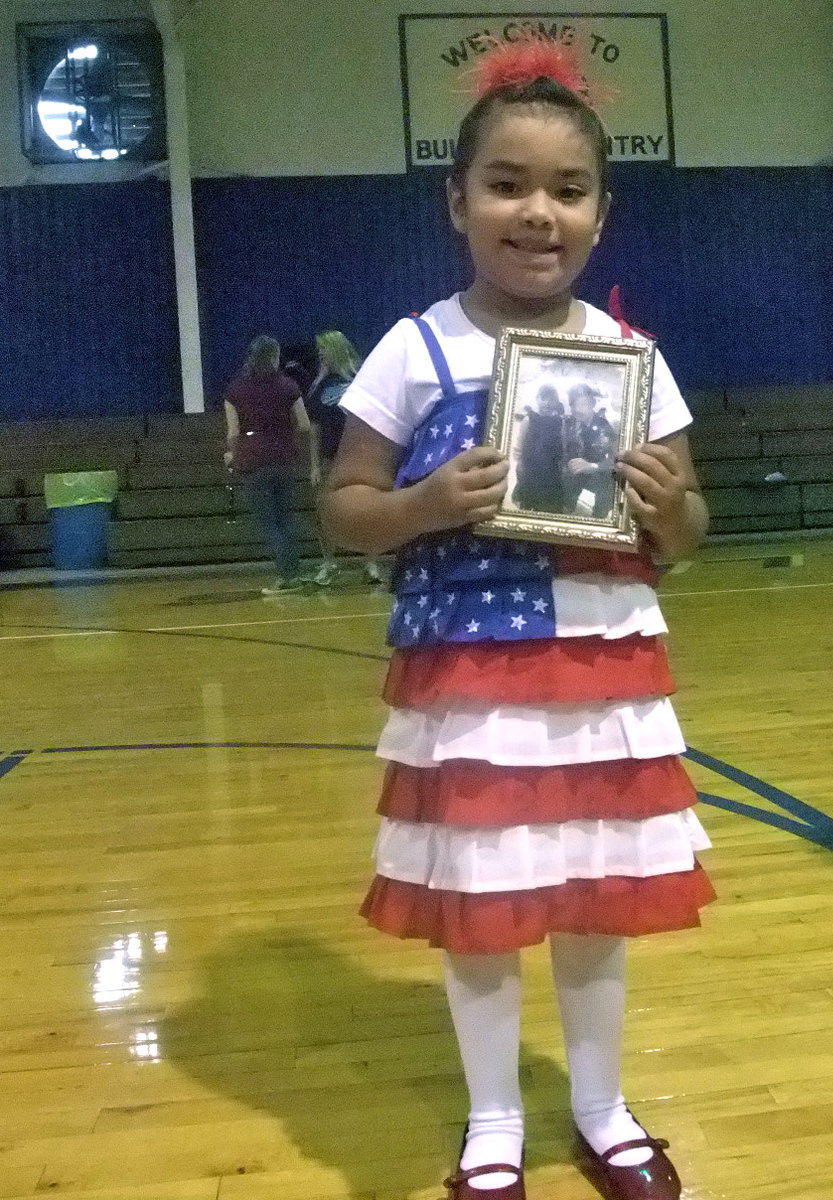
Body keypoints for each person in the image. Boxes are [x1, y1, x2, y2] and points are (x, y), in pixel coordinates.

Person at [322, 38, 711, 1200]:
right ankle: (493, 1121)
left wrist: (667, 504)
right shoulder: (413, 348)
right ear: (458, 201)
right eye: (507, 184)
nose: (538, 211)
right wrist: (423, 506)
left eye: (568, 189)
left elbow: (690, 530)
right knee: (482, 906)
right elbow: (344, 509)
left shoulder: (633, 357)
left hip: (604, 675)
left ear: (601, 214)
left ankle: (601, 1109)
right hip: (473, 684)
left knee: (597, 901)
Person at [223, 335, 309, 595]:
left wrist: (232, 454)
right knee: (286, 519)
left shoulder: (235, 390)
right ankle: (294, 573)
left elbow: (234, 432)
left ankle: (287, 576)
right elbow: (304, 424)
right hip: (283, 457)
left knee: (269, 523)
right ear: (275, 357)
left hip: (253, 460)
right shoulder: (288, 386)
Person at [304, 330, 385, 586]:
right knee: (324, 511)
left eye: (324, 349)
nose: (320, 354)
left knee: (366, 509)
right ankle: (329, 563)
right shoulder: (318, 386)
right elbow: (314, 428)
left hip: (359, 456)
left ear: (336, 349)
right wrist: (314, 465)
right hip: (330, 457)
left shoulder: (360, 378)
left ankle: (370, 564)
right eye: (319, 350)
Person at [511, 384, 567, 512]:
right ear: (537, 399)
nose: (547, 403)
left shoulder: (560, 422)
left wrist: (563, 463)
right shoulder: (528, 419)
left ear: (557, 402)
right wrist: (519, 461)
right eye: (543, 398)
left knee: (548, 499)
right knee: (529, 495)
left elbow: (563, 444)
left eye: (551, 400)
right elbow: (520, 443)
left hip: (551, 467)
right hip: (530, 465)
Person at [564, 382, 616, 518]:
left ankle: (599, 517)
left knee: (610, 481)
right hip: (573, 473)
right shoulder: (568, 423)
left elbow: (617, 461)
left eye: (582, 404)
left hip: (598, 473)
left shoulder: (607, 426)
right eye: (573, 405)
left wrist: (593, 466)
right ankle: (565, 509)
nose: (577, 409)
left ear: (592, 403)